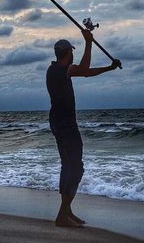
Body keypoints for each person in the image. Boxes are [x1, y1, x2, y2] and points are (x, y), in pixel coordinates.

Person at [46, 30, 121, 228]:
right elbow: (85, 68)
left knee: (68, 166)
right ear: (69, 53)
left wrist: (109, 68)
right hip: (65, 125)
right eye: (71, 52)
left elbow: (85, 71)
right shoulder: (60, 70)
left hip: (58, 123)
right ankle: (62, 215)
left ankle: (67, 211)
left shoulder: (54, 70)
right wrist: (88, 42)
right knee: (75, 167)